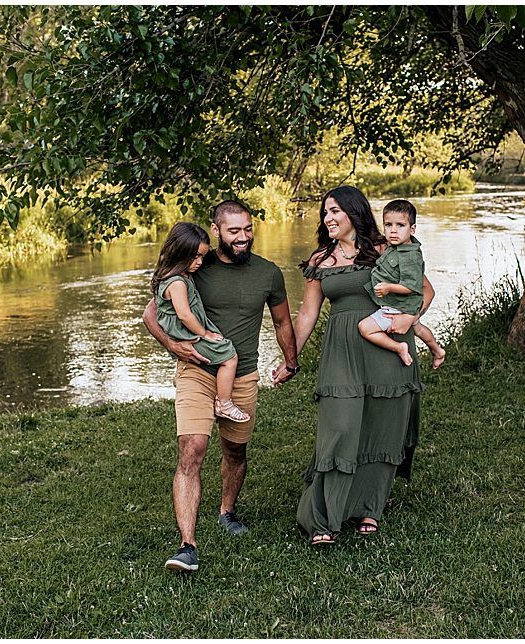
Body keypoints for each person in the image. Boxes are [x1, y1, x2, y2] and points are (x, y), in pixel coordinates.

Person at [271, 186, 434, 544]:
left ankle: (369, 508)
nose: (327, 218)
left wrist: (410, 320)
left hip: (388, 348)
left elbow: (424, 290)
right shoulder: (320, 261)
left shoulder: (385, 250)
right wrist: (291, 360)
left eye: (334, 211)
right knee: (340, 428)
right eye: (325, 212)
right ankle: (323, 518)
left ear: (354, 213)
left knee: (381, 426)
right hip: (342, 352)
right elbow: (308, 314)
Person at [143, 200, 299, 572]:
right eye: (234, 231)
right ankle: (187, 545)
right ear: (216, 231)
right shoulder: (194, 266)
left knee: (235, 452)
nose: (243, 237)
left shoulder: (268, 273)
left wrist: (291, 360)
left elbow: (281, 323)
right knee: (191, 450)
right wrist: (173, 345)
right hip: (196, 371)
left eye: (248, 229)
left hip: (242, 374)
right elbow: (152, 314)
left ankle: (227, 511)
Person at [151, 222, 250, 423]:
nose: (199, 262)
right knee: (229, 357)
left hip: (190, 332)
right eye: (194, 256)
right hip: (189, 334)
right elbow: (185, 316)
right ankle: (224, 403)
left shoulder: (179, 275)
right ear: (178, 253)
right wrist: (204, 334)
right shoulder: (177, 282)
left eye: (202, 256)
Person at [358, 199, 446, 369]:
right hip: (407, 306)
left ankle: (399, 347)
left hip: (397, 307)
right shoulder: (397, 246)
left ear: (412, 229)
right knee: (418, 328)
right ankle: (437, 350)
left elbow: (412, 286)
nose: (393, 231)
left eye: (400, 225)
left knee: (365, 328)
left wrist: (388, 287)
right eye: (388, 225)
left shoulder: (409, 257)